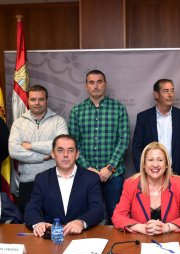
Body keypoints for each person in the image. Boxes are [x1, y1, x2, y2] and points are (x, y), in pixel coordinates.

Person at [68, 69, 129, 225]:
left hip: (113, 176)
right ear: (86, 85)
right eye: (91, 82)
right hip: (86, 175)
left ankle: (113, 247)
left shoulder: (118, 108)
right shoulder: (77, 111)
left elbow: (123, 140)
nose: (95, 86)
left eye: (99, 82)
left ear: (105, 84)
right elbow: (73, 143)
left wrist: (109, 168)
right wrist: (88, 168)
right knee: (87, 217)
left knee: (115, 217)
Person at [24, 134, 105, 237]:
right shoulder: (42, 178)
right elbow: (32, 208)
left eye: (70, 150)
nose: (66, 155)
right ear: (53, 154)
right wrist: (38, 223)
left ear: (77, 154)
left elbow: (97, 209)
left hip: (82, 237)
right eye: (60, 150)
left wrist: (81, 222)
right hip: (52, 238)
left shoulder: (91, 178)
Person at [112, 142, 180, 234]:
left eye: (160, 160)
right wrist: (140, 227)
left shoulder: (178, 183)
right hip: (140, 241)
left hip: (171, 240)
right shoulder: (131, 184)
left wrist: (167, 227)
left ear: (167, 164)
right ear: (144, 164)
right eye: (150, 160)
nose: (155, 164)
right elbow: (118, 216)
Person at [9, 85, 68, 214]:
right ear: (28, 101)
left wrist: (31, 146)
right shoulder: (18, 123)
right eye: (33, 99)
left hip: (54, 180)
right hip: (27, 181)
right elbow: (14, 151)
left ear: (46, 100)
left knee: (56, 220)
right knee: (28, 223)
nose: (37, 103)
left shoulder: (58, 121)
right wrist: (44, 156)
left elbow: (61, 145)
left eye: (41, 99)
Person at [132, 79, 180, 185]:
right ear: (156, 94)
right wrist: (143, 173)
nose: (170, 95)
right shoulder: (143, 117)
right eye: (165, 91)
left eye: (172, 91)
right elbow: (136, 148)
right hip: (151, 174)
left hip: (176, 175)